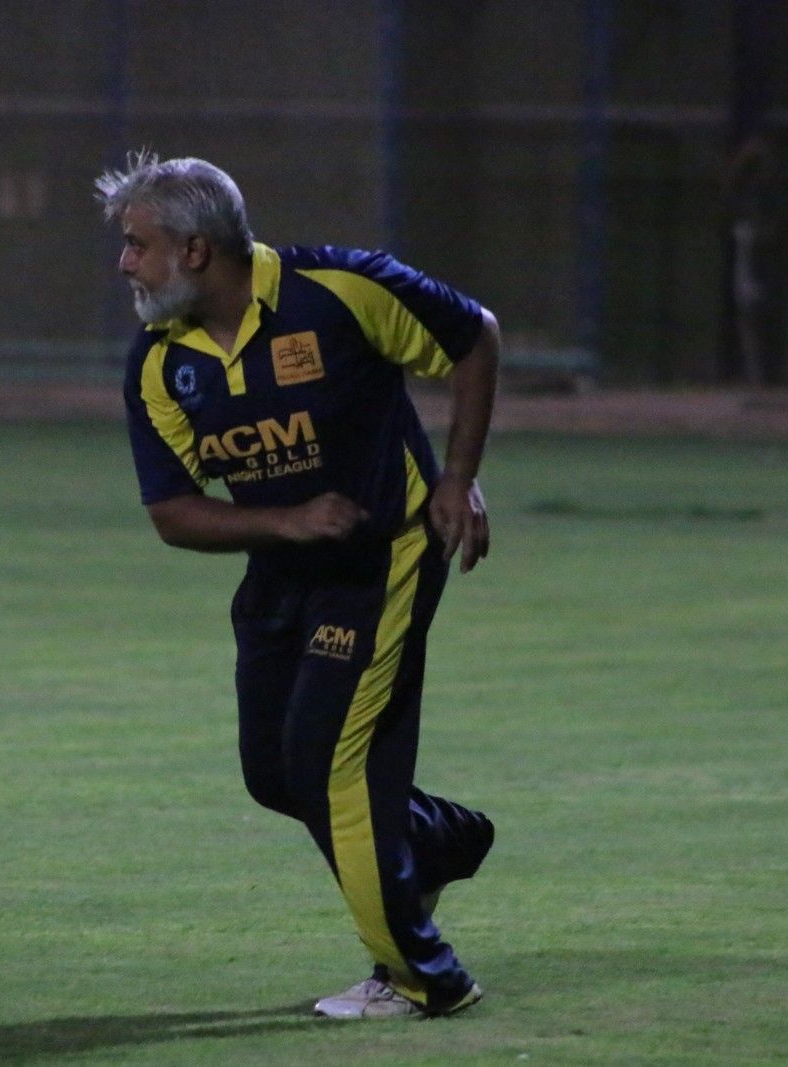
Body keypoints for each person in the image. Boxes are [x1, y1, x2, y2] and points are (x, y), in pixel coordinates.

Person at [99, 152, 499, 1020]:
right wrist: (287, 522)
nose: (125, 263)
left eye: (138, 245)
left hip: (383, 560)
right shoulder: (160, 361)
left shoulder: (340, 289)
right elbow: (172, 512)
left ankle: (423, 976)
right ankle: (434, 839)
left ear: (196, 250)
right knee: (275, 772)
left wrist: (456, 478)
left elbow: (474, 337)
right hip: (282, 576)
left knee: (329, 764)